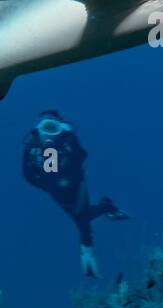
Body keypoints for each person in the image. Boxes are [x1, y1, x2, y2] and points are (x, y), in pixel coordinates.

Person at [22, 110, 128, 277]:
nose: (49, 130)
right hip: (54, 190)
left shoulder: (67, 139)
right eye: (45, 125)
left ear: (60, 126)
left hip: (75, 185)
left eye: (53, 126)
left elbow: (82, 157)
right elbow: (27, 173)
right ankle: (105, 208)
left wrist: (64, 147)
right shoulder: (32, 144)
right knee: (81, 217)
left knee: (82, 218)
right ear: (38, 127)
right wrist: (45, 185)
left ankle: (88, 244)